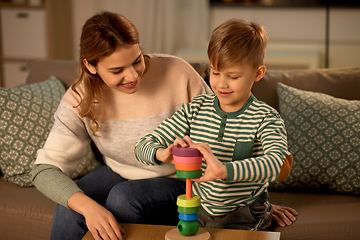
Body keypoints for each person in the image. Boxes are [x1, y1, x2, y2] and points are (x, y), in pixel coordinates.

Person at [30, 12, 296, 240]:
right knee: (70, 205)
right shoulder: (80, 97)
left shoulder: (178, 74)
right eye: (117, 70)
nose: (133, 75)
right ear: (91, 66)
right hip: (124, 171)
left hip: (184, 180)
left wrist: (248, 198)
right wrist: (88, 207)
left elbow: (230, 126)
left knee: (124, 198)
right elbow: (46, 168)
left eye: (137, 60)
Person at [135, 18, 294, 231]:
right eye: (216, 72)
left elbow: (278, 163)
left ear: (258, 73)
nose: (221, 83)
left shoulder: (266, 117)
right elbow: (142, 145)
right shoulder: (195, 110)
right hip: (198, 210)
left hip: (246, 214)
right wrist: (162, 154)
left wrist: (225, 170)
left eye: (233, 76)